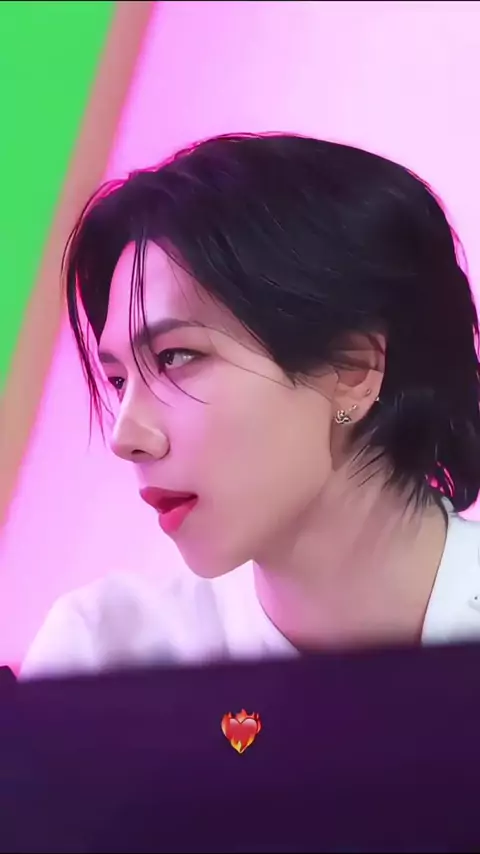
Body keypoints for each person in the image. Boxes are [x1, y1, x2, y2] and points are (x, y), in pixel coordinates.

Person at [21, 132, 480, 679]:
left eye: (174, 357)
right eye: (118, 380)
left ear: (353, 372)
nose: (126, 438)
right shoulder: (105, 656)